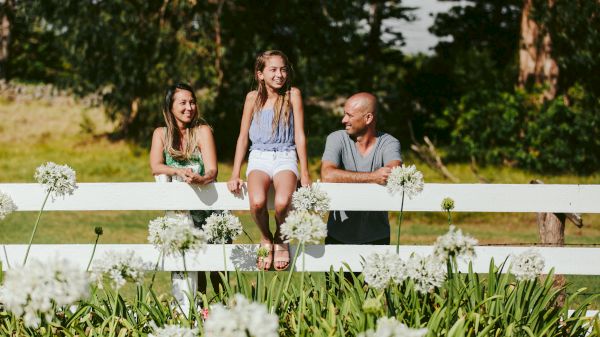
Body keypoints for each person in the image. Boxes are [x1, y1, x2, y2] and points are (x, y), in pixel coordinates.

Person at [227, 50, 311, 271]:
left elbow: (300, 135)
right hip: (259, 156)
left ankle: (281, 236)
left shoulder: (293, 95)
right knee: (257, 202)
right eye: (273, 69)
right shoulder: (252, 98)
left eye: (283, 69)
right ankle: (266, 237)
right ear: (260, 74)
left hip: (285, 154)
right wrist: (236, 172)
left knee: (283, 202)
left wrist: (305, 171)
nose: (279, 74)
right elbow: (243, 136)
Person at [149, 82, 219, 310]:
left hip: (207, 209)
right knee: (184, 264)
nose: (189, 107)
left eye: (192, 102)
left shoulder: (202, 131)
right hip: (179, 215)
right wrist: (177, 171)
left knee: (216, 268)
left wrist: (201, 179)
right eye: (183, 103)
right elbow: (156, 166)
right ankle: (189, 312)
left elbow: (212, 170)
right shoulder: (161, 134)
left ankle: (217, 312)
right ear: (170, 107)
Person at [321, 92, 402, 245]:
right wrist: (373, 177)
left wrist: (345, 177)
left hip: (377, 236)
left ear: (368, 118)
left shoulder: (389, 143)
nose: (344, 120)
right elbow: (327, 175)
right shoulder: (336, 138)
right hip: (338, 236)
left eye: (350, 115)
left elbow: (393, 173)